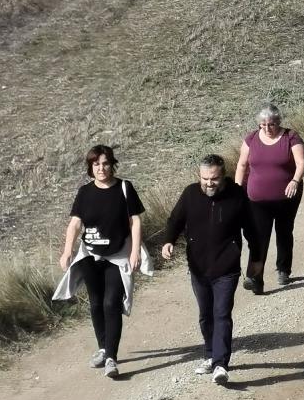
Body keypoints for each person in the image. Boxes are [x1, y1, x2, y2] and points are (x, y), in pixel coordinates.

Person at [54, 145, 148, 380]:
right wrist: (67, 251)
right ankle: (104, 348)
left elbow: (135, 222)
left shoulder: (124, 188)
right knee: (95, 303)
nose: (101, 168)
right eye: (96, 164)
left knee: (110, 303)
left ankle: (111, 358)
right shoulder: (85, 192)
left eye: (105, 163)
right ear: (90, 167)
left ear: (112, 164)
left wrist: (135, 251)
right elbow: (75, 224)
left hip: (117, 255)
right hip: (90, 256)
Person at [162, 154, 253, 386]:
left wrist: (257, 259)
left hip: (227, 268)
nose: (209, 183)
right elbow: (175, 220)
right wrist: (168, 240)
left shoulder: (237, 196)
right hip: (198, 268)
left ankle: (221, 364)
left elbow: (253, 230)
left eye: (214, 178)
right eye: (205, 178)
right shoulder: (191, 194)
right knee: (206, 315)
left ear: (223, 176)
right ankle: (210, 354)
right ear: (199, 176)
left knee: (222, 314)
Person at [234, 104, 304, 294]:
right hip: (256, 199)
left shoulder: (291, 137)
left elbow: (301, 162)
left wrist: (295, 180)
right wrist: (236, 190)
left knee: (283, 231)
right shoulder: (251, 139)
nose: (267, 128)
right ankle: (255, 278)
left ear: (279, 122)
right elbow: (242, 165)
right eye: (263, 125)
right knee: (259, 238)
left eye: (271, 124)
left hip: (287, 197)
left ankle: (283, 269)